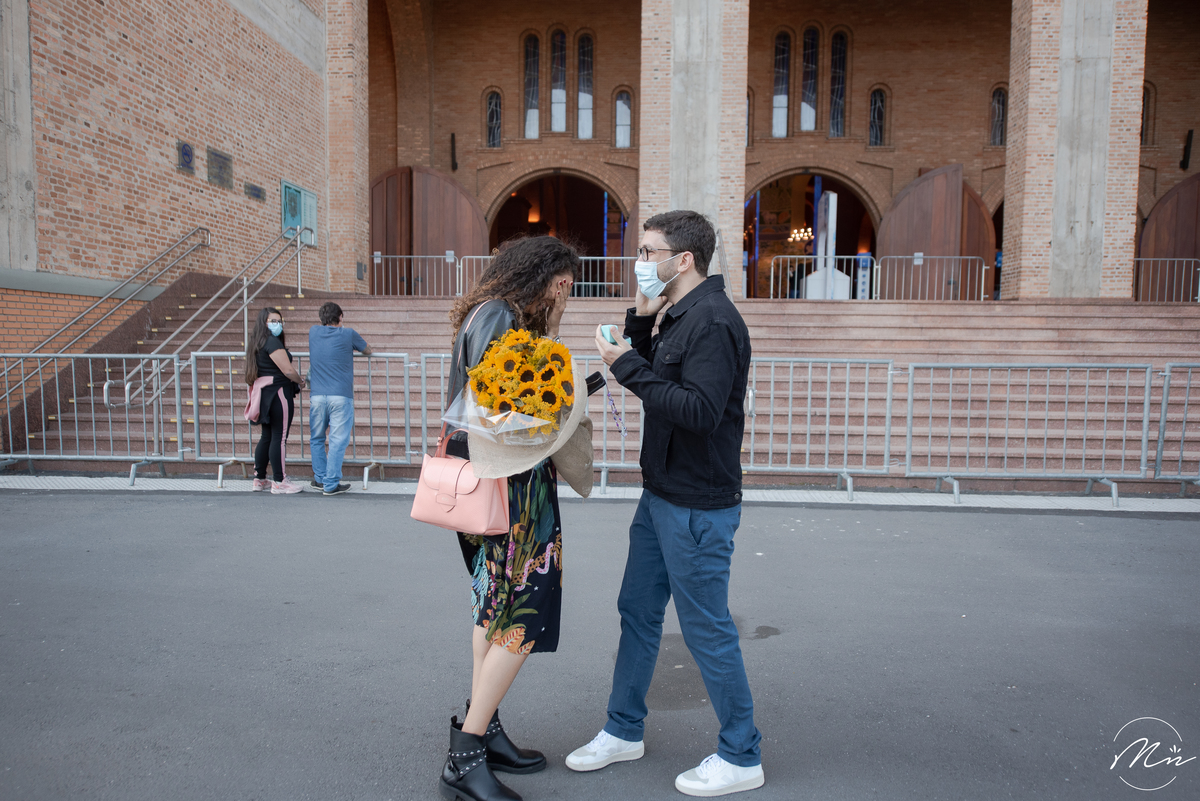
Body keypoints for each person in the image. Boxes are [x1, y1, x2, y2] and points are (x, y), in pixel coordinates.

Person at [571, 210, 764, 796]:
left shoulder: (712, 321)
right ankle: (623, 730)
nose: (641, 261)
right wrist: (640, 320)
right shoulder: (677, 314)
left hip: (698, 505)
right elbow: (655, 374)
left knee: (705, 629)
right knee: (637, 612)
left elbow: (699, 412)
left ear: (684, 260)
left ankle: (741, 753)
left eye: (650, 251)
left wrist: (625, 364)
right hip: (659, 497)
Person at [438, 236, 579, 801]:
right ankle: (465, 755)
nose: (565, 290)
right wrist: (564, 406)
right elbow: (507, 409)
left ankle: (484, 727)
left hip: (489, 480)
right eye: (561, 281)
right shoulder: (500, 318)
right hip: (510, 483)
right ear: (537, 275)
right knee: (523, 610)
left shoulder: (490, 312)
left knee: (493, 606)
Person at [307, 302, 372, 496]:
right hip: (341, 395)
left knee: (316, 438)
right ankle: (331, 483)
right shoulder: (348, 333)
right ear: (341, 317)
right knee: (337, 441)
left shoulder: (313, 332)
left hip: (317, 396)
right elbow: (367, 350)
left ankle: (320, 478)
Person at [245, 306, 305, 494]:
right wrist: (300, 381)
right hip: (278, 392)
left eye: (279, 321)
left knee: (267, 436)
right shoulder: (272, 343)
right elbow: (287, 370)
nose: (278, 324)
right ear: (264, 322)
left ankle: (260, 478)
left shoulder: (257, 342)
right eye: (273, 321)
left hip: (264, 393)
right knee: (279, 437)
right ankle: (279, 481)